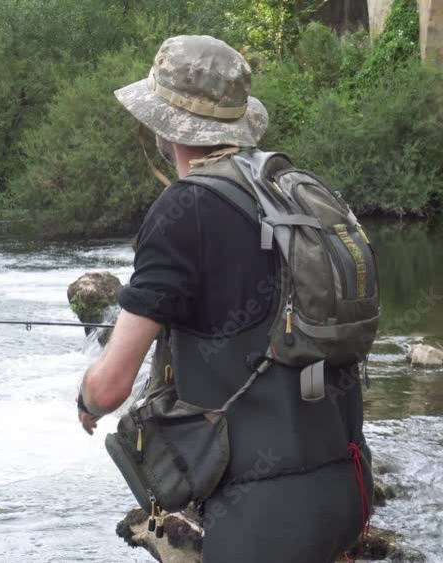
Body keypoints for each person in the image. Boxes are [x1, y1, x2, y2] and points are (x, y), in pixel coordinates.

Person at [76, 35, 373, 563]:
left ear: (164, 127)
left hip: (262, 519)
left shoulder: (184, 209)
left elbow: (110, 386)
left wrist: (85, 401)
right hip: (348, 486)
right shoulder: (293, 190)